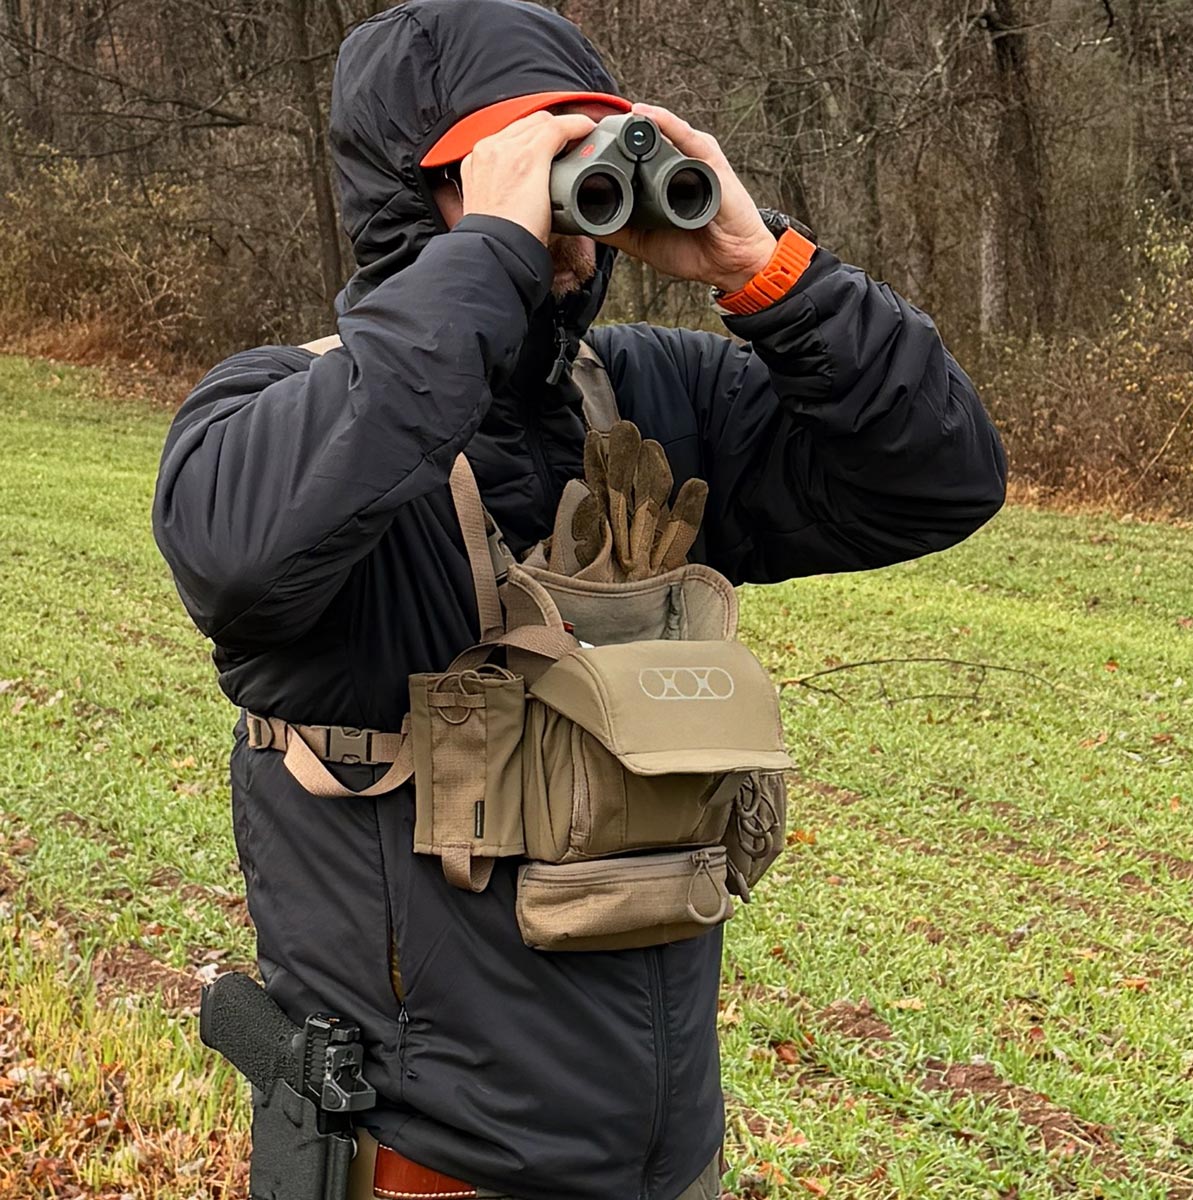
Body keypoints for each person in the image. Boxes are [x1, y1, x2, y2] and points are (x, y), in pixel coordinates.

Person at [152, 1, 1006, 1198]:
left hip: (669, 1158)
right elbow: (242, 555)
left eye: (591, 155)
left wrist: (769, 273)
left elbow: (942, 478)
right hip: (424, 1164)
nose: (569, 207)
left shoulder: (650, 398)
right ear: (414, 194)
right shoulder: (275, 412)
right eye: (525, 161)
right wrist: (488, 257)